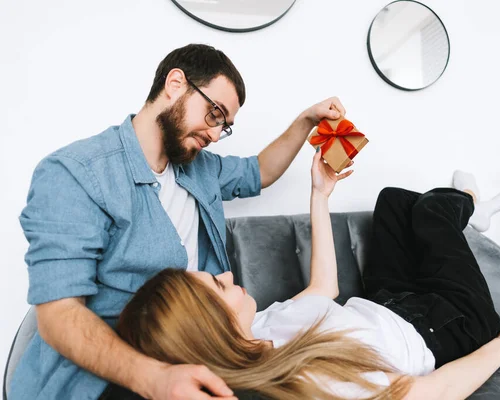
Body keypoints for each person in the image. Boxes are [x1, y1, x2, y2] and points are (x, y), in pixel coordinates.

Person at [12, 43, 347, 400]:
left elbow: (260, 171)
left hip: (196, 350)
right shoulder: (75, 173)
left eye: (225, 126)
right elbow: (59, 315)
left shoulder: (198, 167)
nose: (216, 133)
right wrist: (154, 378)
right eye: (214, 113)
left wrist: (306, 121)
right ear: (175, 84)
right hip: (109, 376)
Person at [114, 147, 500, 400]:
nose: (225, 276)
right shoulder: (299, 377)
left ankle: (460, 212)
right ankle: (471, 204)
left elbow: (323, 288)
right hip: (448, 325)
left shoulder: (260, 325)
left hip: (386, 305)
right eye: (215, 287)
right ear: (209, 327)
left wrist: (320, 192)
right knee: (430, 212)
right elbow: (431, 393)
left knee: (392, 201)